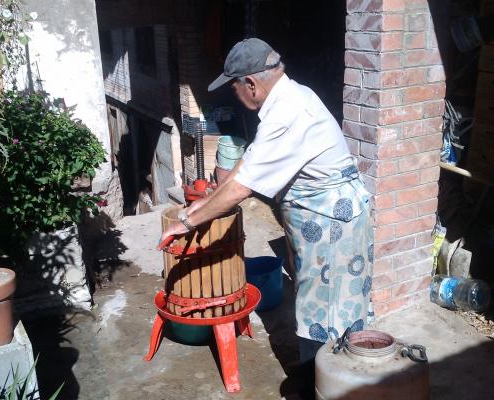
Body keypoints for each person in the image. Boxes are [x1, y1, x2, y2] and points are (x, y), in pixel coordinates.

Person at [160, 38, 373, 370]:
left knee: (327, 309)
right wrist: (200, 207)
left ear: (251, 84)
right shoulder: (288, 99)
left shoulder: (288, 112)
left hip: (333, 222)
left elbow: (241, 189)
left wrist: (186, 223)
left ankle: (326, 378)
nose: (235, 93)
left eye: (234, 88)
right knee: (321, 301)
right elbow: (246, 166)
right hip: (323, 219)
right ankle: (328, 372)